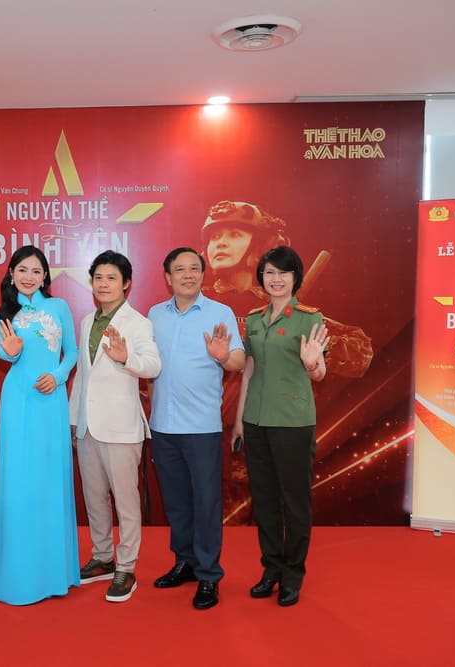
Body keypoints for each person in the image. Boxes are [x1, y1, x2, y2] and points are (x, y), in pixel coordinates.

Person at [199, 200, 373, 523]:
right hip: (210, 445)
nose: (220, 243)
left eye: (235, 234)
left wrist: (304, 343)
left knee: (274, 527)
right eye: (214, 236)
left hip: (272, 437)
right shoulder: (198, 307)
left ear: (261, 245)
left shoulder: (282, 307)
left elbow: (360, 354)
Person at [231, 246, 329, 608]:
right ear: (261, 277)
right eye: (270, 272)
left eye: (283, 273)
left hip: (292, 422)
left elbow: (320, 373)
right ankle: (271, 569)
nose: (276, 279)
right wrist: (239, 421)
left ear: (295, 278)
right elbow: (249, 371)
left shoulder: (309, 318)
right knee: (265, 501)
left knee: (295, 502)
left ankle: (292, 574)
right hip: (256, 421)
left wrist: (312, 363)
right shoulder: (254, 319)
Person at [148, 247, 244, 610]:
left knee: (205, 503)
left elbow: (238, 360)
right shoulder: (155, 315)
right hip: (163, 425)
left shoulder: (220, 313)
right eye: (179, 269)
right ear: (168, 277)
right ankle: (185, 562)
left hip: (202, 426)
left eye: (194, 269)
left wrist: (223, 355)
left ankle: (208, 574)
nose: (187, 275)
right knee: (176, 503)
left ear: (203, 274)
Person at [0, 245, 79, 605]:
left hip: (50, 400)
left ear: (45, 277)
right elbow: (4, 354)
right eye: (22, 270)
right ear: (11, 274)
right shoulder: (2, 316)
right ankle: (19, 576)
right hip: (18, 402)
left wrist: (57, 376)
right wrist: (10, 350)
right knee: (19, 483)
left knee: (50, 480)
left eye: (36, 271)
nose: (29, 277)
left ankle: (55, 574)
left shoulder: (59, 307)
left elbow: (72, 352)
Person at [69, 250, 161, 603]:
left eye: (111, 278)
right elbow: (83, 376)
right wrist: (73, 420)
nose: (103, 284)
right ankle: (103, 557)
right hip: (87, 427)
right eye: (98, 278)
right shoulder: (86, 322)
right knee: (94, 498)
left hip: (121, 427)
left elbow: (152, 365)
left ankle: (126, 567)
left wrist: (127, 359)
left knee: (125, 501)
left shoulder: (138, 323)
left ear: (126, 284)